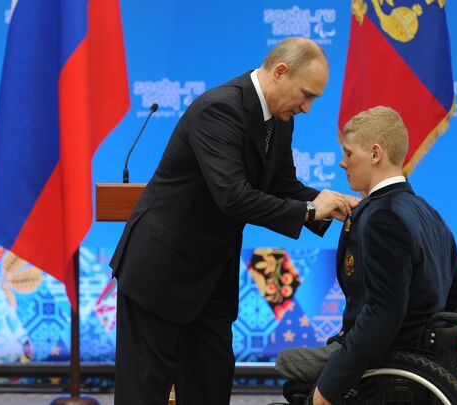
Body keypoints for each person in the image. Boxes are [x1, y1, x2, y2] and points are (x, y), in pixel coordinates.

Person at [110, 37, 360, 405]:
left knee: (211, 386)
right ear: (280, 72)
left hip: (210, 278)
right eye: (306, 95)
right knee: (144, 392)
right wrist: (309, 210)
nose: (307, 107)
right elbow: (233, 197)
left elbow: (283, 185)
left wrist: (332, 203)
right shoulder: (219, 109)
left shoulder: (280, 119)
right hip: (160, 273)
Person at [275, 106, 457, 405]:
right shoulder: (429, 214)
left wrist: (328, 389)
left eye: (348, 153)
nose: (342, 163)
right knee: (292, 361)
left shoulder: (383, 218)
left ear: (375, 153)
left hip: (385, 359)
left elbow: (383, 315)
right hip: (416, 360)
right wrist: (429, 345)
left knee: (288, 366)